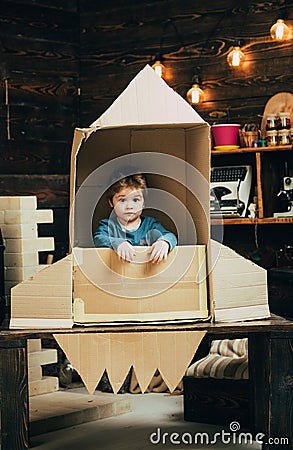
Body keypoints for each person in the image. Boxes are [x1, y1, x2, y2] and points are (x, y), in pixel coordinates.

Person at [93, 173, 177, 263]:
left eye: (136, 200)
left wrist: (164, 242)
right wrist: (118, 243)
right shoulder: (108, 225)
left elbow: (170, 236)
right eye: (122, 200)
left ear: (144, 203)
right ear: (111, 202)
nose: (129, 206)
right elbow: (98, 239)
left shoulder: (150, 224)